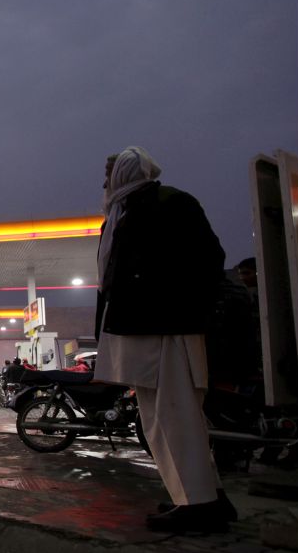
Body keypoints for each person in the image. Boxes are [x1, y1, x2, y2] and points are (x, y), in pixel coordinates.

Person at [94, 146, 234, 533]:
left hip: (166, 327)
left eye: (109, 174)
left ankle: (199, 505)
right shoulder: (122, 213)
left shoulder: (169, 204)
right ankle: (202, 496)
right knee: (163, 417)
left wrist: (172, 301)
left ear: (125, 173)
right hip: (141, 327)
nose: (104, 182)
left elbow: (207, 259)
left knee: (174, 415)